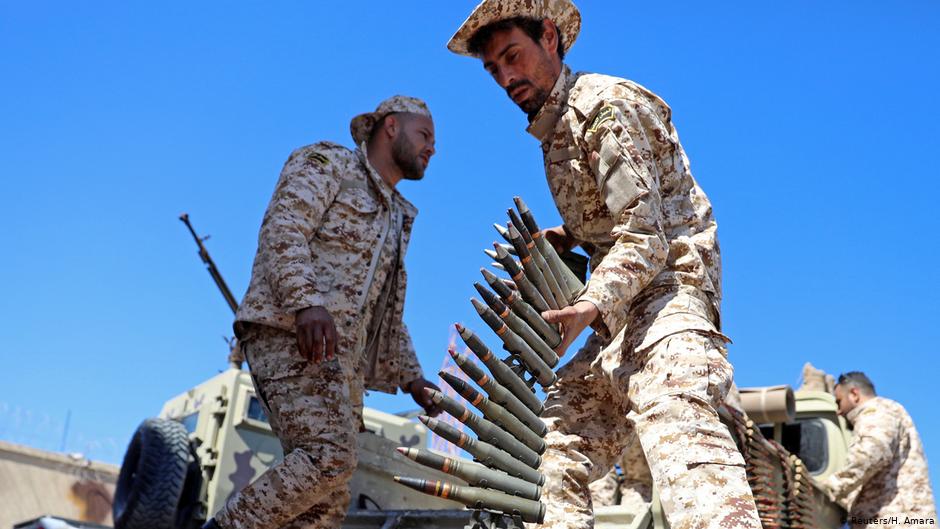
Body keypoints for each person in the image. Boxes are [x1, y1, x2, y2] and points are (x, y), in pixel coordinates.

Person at [446, 2, 763, 528]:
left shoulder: (603, 106)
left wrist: (589, 304)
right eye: (493, 69)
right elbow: (614, 217)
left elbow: (646, 233)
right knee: (561, 445)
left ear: (549, 37)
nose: (505, 77)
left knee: (683, 443)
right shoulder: (555, 129)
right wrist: (567, 233)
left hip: (668, 298)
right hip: (619, 316)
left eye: (512, 56)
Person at [206, 96, 443, 529]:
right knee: (328, 457)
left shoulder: (394, 215)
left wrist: (412, 377)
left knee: (327, 502)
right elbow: (284, 227)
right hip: (291, 333)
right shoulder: (331, 163)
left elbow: (383, 310)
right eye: (425, 135)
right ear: (390, 126)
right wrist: (306, 302)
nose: (432, 148)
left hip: (341, 362)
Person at [823, 372, 937, 528]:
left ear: (854, 394)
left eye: (839, 401)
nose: (838, 410)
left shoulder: (876, 411)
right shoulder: (886, 410)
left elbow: (871, 452)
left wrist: (831, 487)